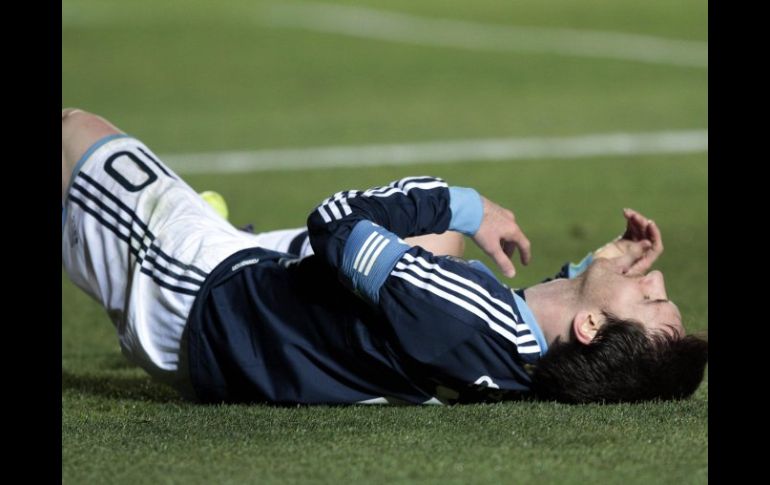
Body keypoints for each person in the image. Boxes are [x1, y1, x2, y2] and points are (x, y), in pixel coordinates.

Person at [62, 109, 708, 405]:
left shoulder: (466, 312)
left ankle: (203, 233)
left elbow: (336, 221)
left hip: (208, 301)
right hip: (267, 330)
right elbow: (544, 316)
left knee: (73, 133)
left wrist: (462, 203)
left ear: (593, 327)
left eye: (649, 298)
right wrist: (592, 267)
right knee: (437, 250)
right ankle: (233, 232)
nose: (651, 277)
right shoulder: (523, 359)